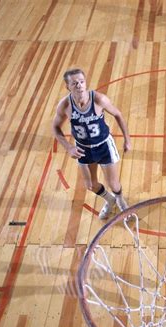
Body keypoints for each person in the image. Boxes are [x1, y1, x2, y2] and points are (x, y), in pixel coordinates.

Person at [52, 68, 131, 219]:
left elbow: (118, 114)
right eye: (74, 83)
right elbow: (55, 127)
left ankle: (121, 201)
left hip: (103, 145)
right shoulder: (64, 105)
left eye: (82, 82)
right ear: (67, 86)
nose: (79, 86)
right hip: (83, 149)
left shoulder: (99, 99)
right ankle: (110, 200)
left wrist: (127, 139)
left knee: (114, 184)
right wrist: (68, 147)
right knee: (91, 185)